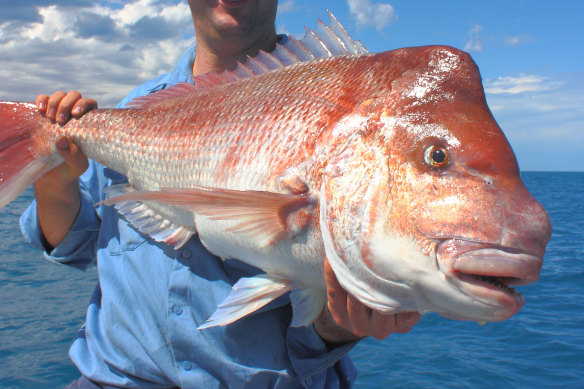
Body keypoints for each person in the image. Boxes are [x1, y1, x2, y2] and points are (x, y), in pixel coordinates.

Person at [22, 1, 420, 387]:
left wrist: (341, 325)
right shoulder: (133, 110)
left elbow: (315, 339)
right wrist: (53, 181)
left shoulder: (344, 104)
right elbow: (74, 246)